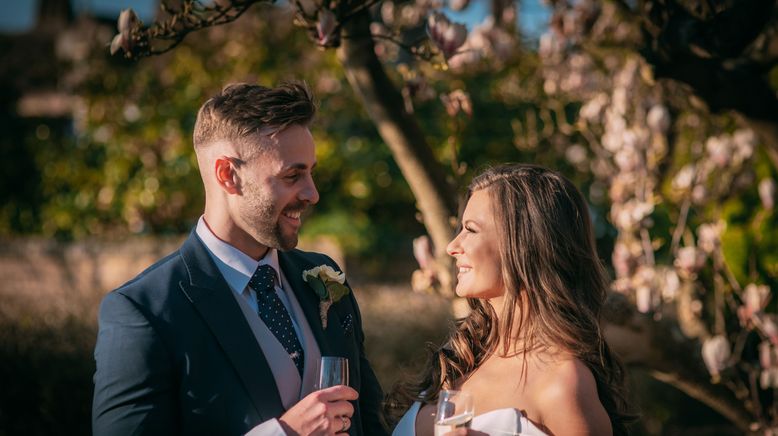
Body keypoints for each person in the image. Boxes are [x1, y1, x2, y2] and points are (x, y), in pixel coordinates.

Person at [92, 82, 387, 436]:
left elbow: (371, 423)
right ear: (227, 175)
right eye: (292, 175)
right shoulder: (144, 312)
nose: (313, 193)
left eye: (311, 172)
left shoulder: (323, 277)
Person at [388, 164, 634, 436]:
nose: (452, 246)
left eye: (470, 229)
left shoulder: (562, 384)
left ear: (524, 243)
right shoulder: (456, 359)